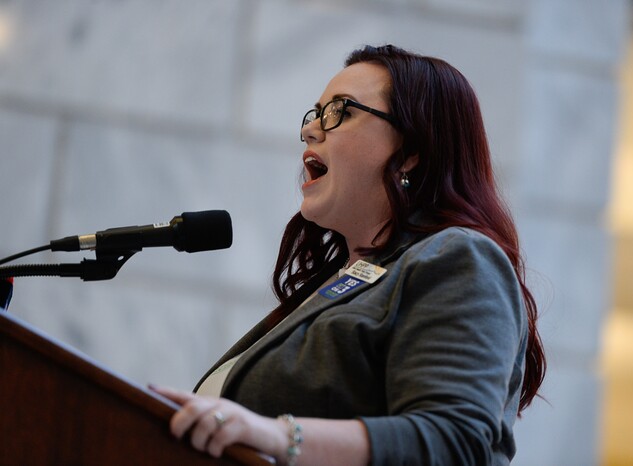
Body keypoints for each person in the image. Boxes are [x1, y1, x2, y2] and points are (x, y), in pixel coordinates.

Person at [152, 44, 546, 465]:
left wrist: (277, 434)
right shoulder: (345, 280)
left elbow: (454, 443)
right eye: (315, 114)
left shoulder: (459, 259)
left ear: (410, 152)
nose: (311, 130)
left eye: (341, 111)